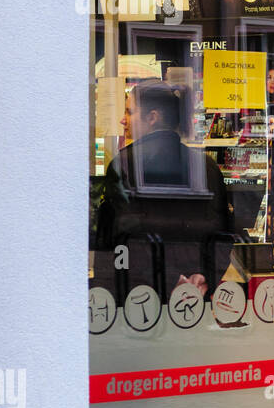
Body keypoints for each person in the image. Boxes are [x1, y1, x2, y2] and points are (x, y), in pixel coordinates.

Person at [96, 79, 235, 298]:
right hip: (195, 296)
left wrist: (172, 280)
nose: (123, 120)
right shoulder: (205, 166)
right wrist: (204, 275)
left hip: (142, 295)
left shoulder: (125, 163)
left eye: (130, 112)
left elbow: (119, 237)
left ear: (152, 117)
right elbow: (223, 233)